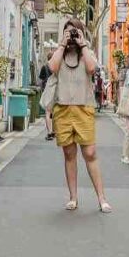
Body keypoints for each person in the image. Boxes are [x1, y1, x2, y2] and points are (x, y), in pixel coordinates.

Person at [47, 18, 112, 213]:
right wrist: (62, 44)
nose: (72, 36)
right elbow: (52, 67)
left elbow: (92, 69)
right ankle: (73, 197)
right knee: (69, 154)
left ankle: (102, 199)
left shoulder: (87, 53)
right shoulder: (60, 53)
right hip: (63, 109)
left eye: (75, 32)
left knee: (90, 153)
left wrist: (83, 44)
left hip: (84, 108)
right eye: (69, 33)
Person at [39, 51, 55, 141]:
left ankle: (49, 132)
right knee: (55, 112)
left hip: (47, 91)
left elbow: (41, 79)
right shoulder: (57, 67)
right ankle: (54, 131)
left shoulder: (45, 67)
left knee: (48, 112)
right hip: (56, 91)